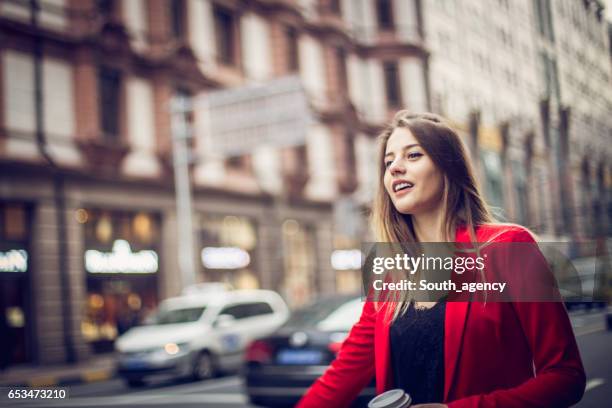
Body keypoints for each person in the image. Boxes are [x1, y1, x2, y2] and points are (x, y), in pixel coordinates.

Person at [297, 111, 586, 407]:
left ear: (448, 166)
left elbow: (565, 377)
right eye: (388, 162)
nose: (396, 167)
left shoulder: (509, 247)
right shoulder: (389, 277)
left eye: (413, 155)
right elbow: (341, 377)